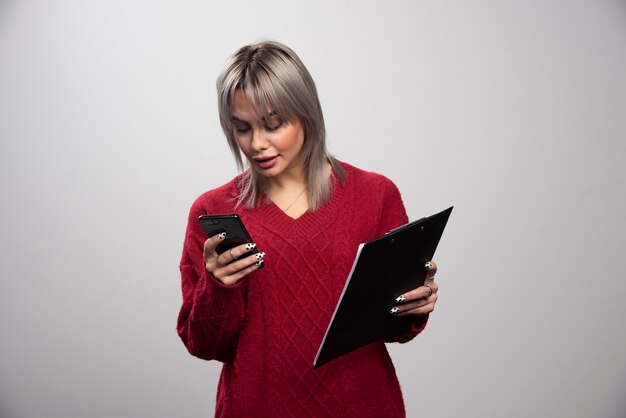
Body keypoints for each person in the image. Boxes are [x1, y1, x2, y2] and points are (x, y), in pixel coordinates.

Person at [177, 40, 439, 418]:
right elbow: (205, 345)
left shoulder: (375, 196)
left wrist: (416, 303)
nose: (258, 144)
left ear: (307, 114)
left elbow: (394, 327)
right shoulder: (212, 210)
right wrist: (218, 288)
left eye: (273, 125)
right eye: (242, 129)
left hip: (361, 405)